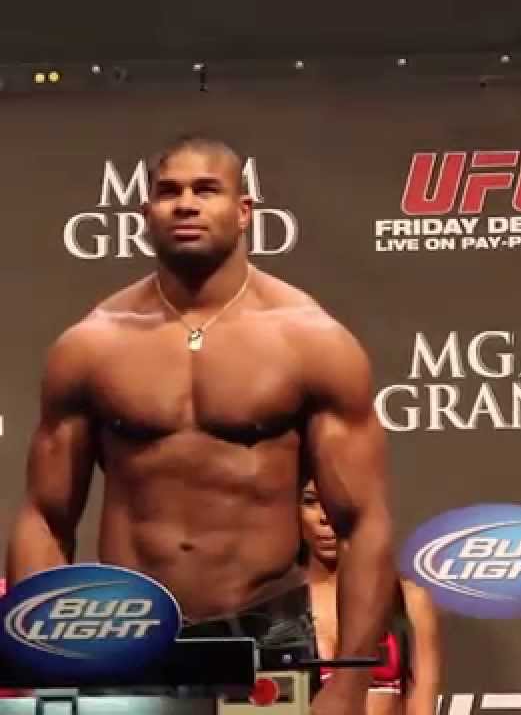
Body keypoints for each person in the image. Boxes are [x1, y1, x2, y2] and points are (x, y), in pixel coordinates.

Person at [5, 133, 396, 714]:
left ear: (244, 212)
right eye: (169, 192)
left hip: (265, 626)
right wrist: (44, 658)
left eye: (206, 190)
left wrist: (350, 682)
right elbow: (44, 515)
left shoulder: (311, 342)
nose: (185, 204)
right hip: (125, 626)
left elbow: (362, 524)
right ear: (147, 213)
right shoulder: (92, 345)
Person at [299, 478, 439, 715]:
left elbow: (421, 704)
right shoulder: (279, 607)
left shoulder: (409, 599)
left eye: (336, 503)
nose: (325, 517)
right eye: (311, 502)